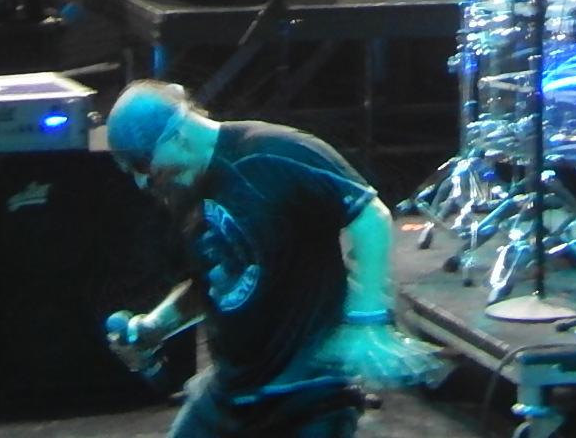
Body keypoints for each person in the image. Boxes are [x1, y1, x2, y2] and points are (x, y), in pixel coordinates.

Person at [104, 80, 429, 438]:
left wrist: (368, 319)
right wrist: (154, 327)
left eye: (143, 165)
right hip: (233, 391)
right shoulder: (185, 189)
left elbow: (371, 218)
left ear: (177, 136)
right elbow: (215, 281)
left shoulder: (274, 153)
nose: (142, 183)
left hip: (306, 392)